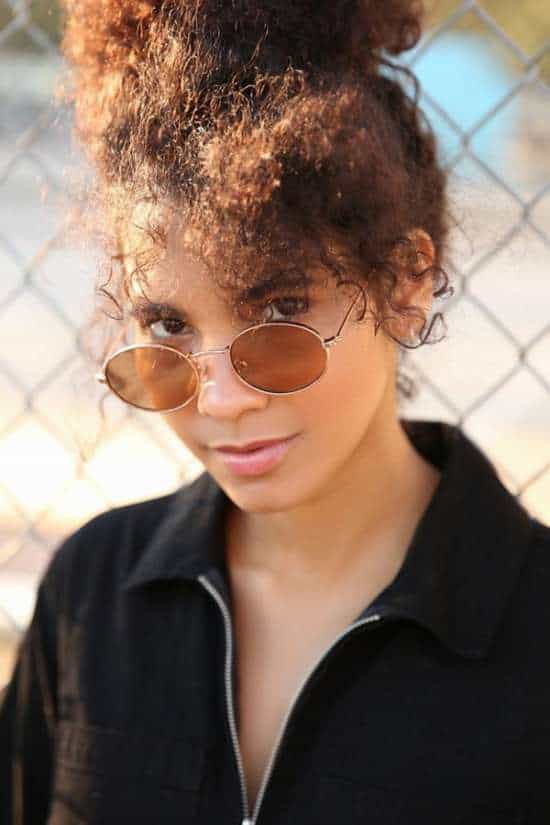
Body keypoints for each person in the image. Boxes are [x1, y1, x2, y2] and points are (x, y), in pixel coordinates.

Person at [1, 1, 549, 823]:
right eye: (168, 326)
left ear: (405, 285)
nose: (222, 399)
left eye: (280, 312)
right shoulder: (93, 591)